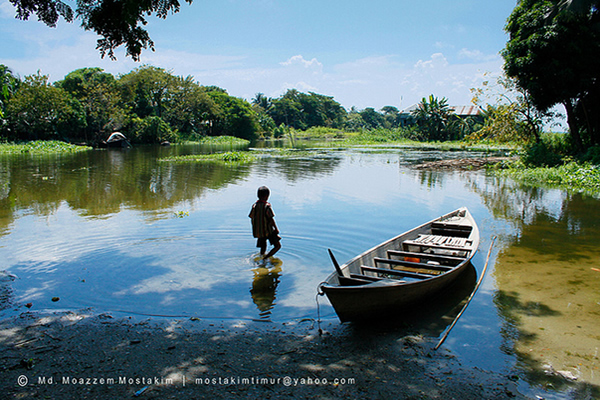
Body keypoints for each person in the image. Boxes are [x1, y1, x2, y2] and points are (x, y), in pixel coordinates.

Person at [249, 186, 281, 259]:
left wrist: (255, 228)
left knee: (263, 246)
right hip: (268, 230)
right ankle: (265, 258)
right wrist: (276, 229)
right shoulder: (267, 206)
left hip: (260, 231)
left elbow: (251, 217)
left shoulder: (255, 206)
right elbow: (271, 219)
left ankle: (262, 257)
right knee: (278, 246)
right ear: (267, 196)